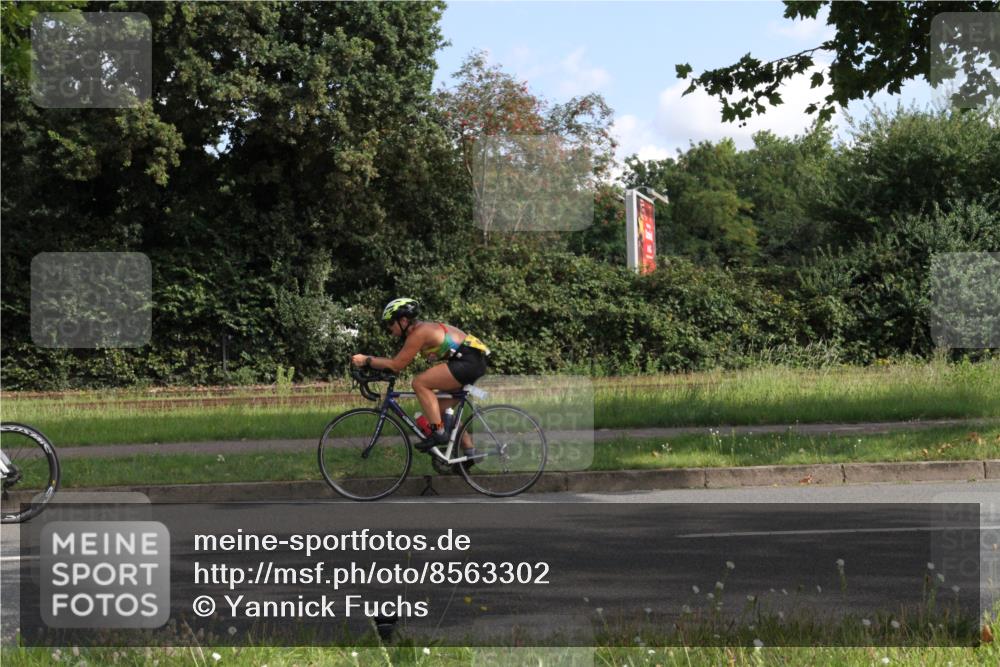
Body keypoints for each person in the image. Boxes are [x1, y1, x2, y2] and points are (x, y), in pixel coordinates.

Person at [351, 298, 490, 465]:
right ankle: (470, 452)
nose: (389, 329)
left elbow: (397, 365)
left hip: (467, 362)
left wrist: (367, 360)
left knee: (419, 383)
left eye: (390, 323)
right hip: (470, 361)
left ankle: (438, 433)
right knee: (437, 410)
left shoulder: (419, 332)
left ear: (403, 320)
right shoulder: (422, 329)